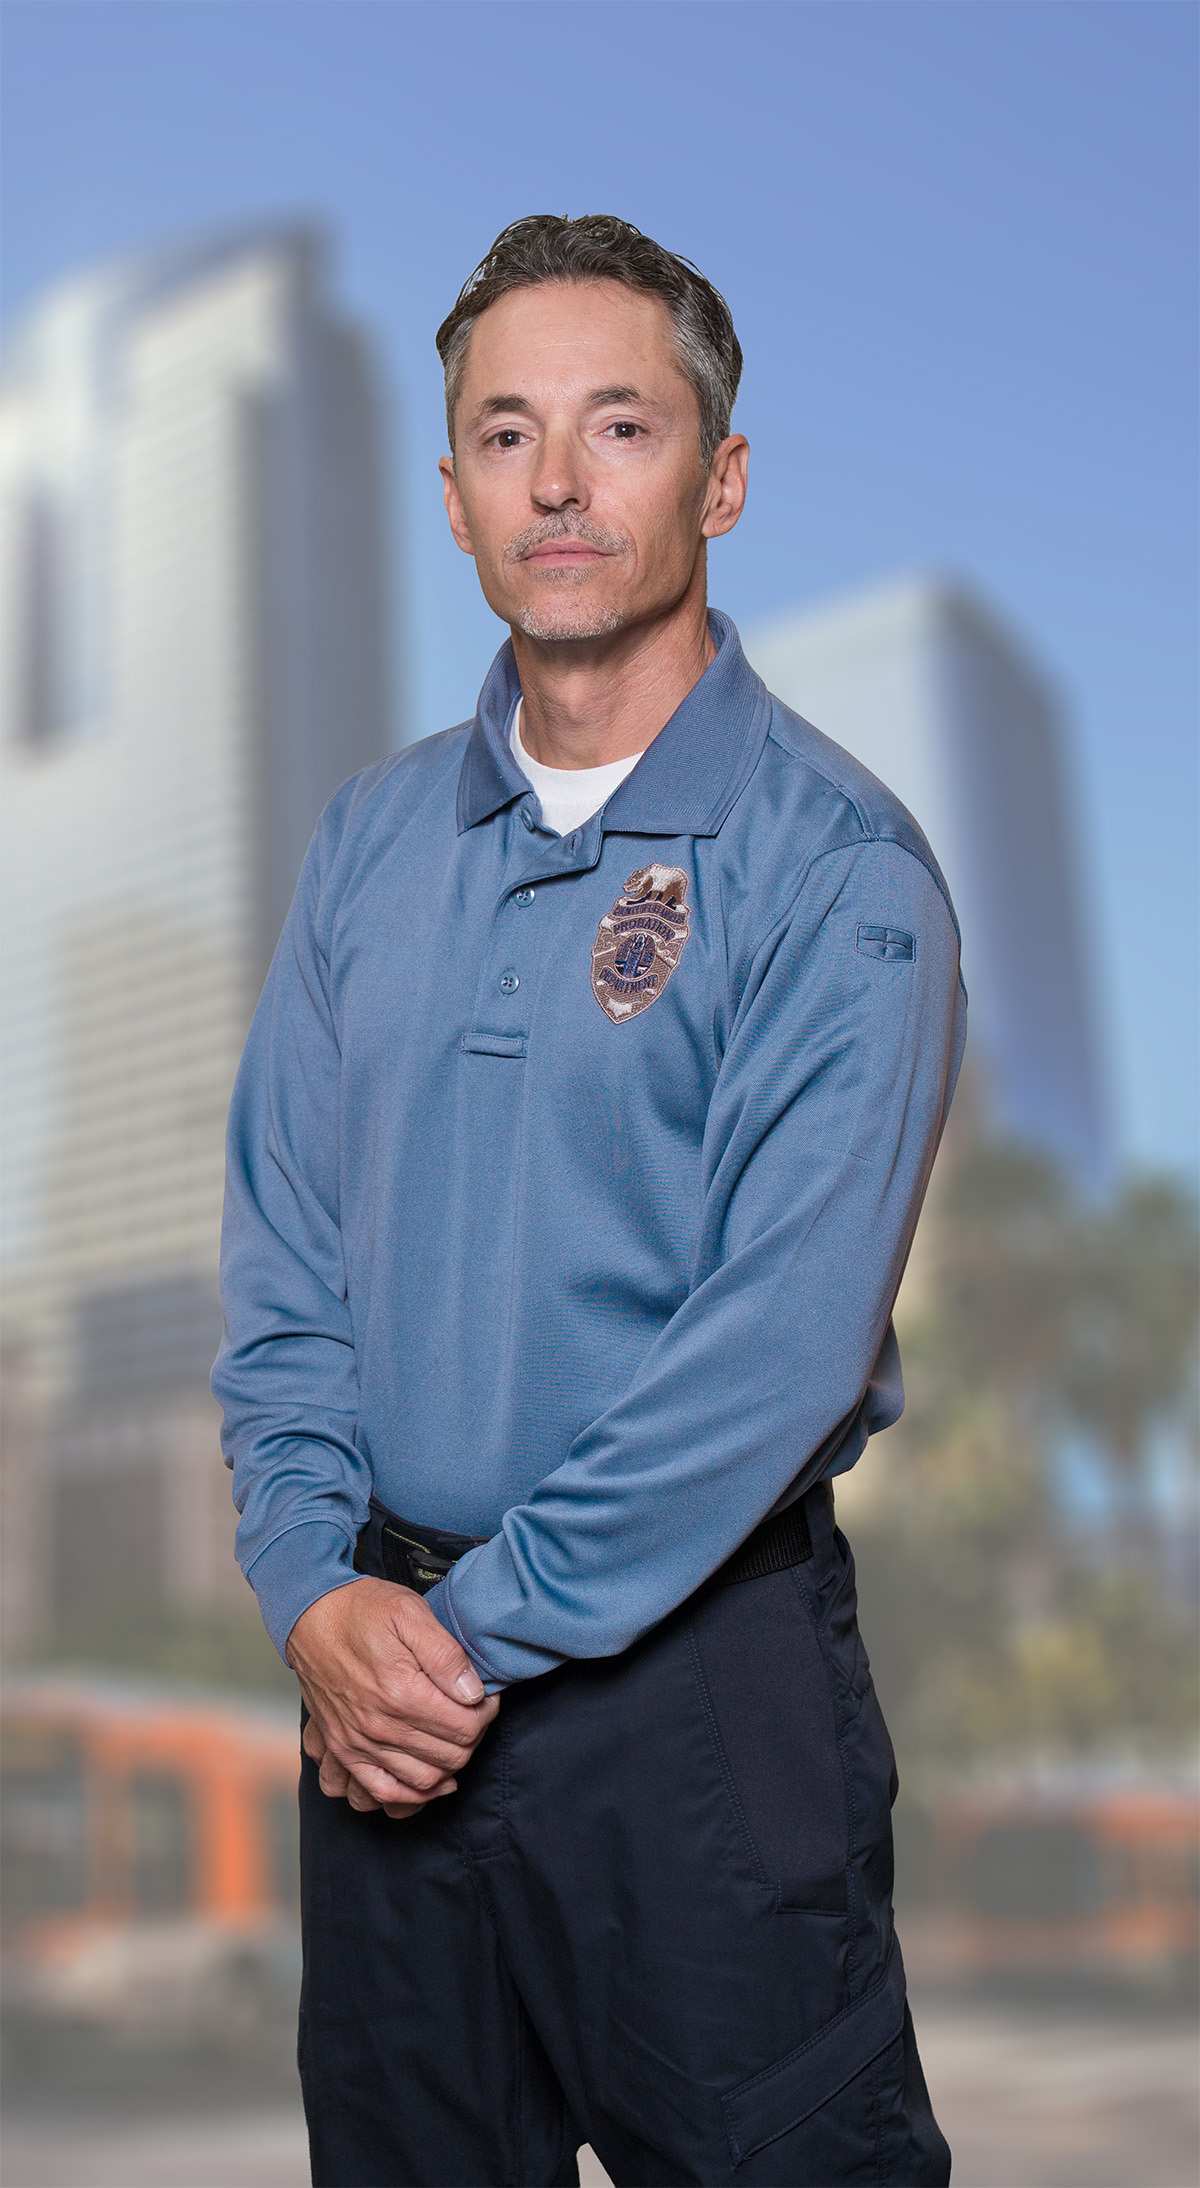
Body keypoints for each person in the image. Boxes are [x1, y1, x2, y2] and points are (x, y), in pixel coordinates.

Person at [214, 213, 963, 2188]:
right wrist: (313, 1587)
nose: (557, 481)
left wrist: (458, 1638)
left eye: (617, 426)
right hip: (375, 1686)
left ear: (717, 477)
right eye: (503, 433)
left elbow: (778, 1349)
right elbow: (285, 1264)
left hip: (692, 1708)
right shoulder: (365, 847)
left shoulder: (838, 872)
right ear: (452, 494)